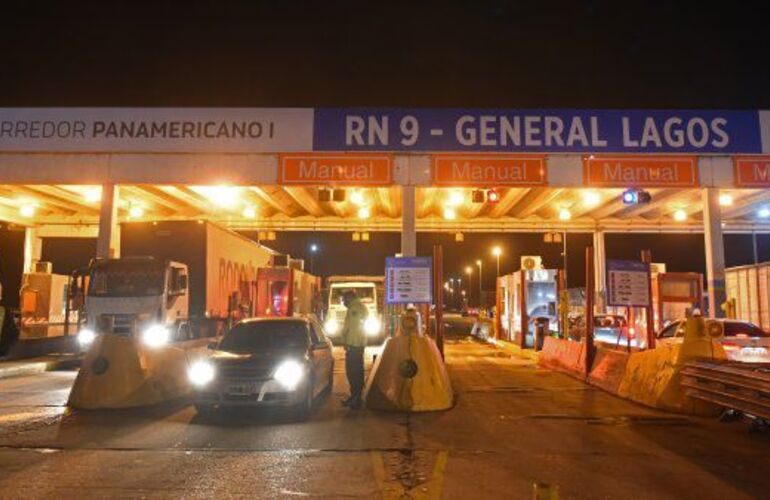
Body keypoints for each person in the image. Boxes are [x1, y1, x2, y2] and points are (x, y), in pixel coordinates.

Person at [340, 289, 368, 408]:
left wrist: (343, 339)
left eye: (344, 299)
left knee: (352, 371)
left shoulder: (353, 309)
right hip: (360, 343)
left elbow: (348, 327)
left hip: (353, 343)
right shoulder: (363, 307)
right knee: (358, 370)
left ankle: (355, 398)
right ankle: (356, 397)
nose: (343, 302)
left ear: (350, 298)